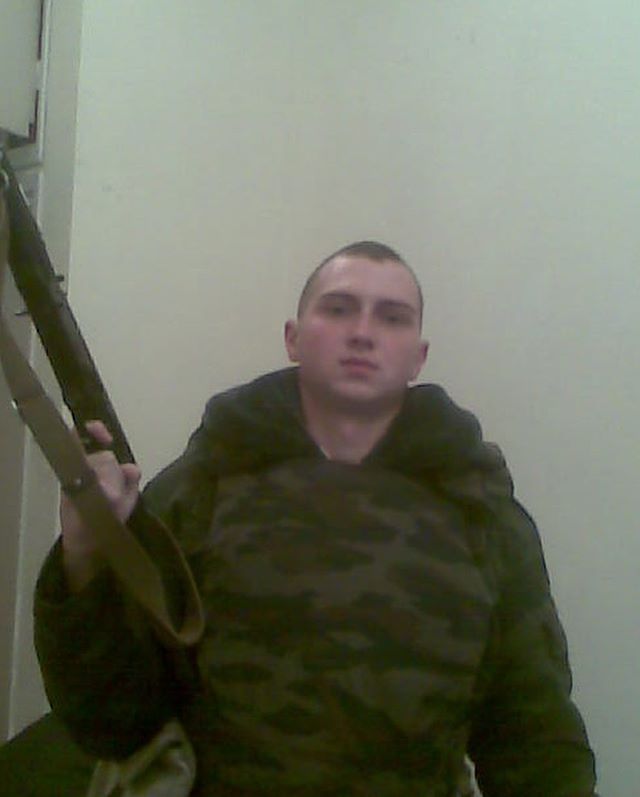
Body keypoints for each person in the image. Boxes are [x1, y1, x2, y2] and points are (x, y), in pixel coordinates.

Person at [33, 241, 598, 796]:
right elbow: (113, 720)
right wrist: (85, 553)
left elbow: (534, 738)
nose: (363, 332)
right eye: (339, 308)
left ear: (418, 357)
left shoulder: (478, 509)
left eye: (392, 317)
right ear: (294, 338)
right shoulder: (202, 488)